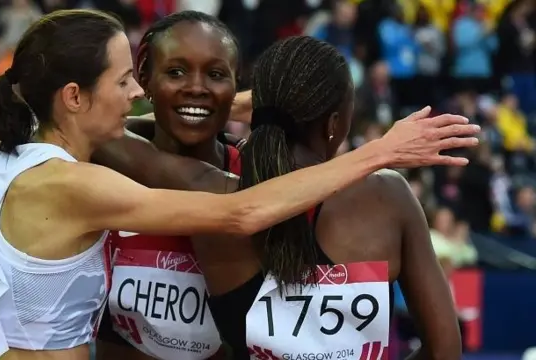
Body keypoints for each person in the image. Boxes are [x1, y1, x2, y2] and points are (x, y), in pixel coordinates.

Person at [93, 36, 467, 360]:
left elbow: (105, 131)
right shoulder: (388, 197)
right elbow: (444, 351)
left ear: (257, 109)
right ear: (335, 124)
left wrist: (221, 107)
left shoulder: (212, 193)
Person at [95, 11, 243, 360]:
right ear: (144, 78)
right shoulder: (96, 167)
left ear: (237, 86)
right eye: (175, 72)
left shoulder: (254, 176)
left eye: (216, 74)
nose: (196, 87)